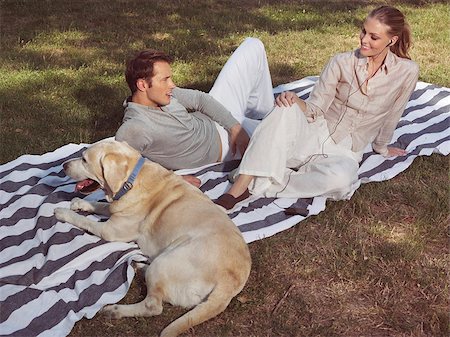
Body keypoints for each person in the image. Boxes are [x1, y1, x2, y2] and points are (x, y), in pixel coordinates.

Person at [215, 5, 419, 210]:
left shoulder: (406, 71)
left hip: (345, 153)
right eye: (363, 31)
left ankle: (264, 180)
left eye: (374, 37)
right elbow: (316, 108)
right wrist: (295, 100)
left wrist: (382, 147)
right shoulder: (341, 62)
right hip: (313, 136)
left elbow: (395, 112)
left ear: (391, 40)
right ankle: (240, 187)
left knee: (341, 180)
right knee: (284, 107)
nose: (364, 40)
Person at [115, 38, 275, 187]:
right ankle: (269, 119)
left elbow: (200, 100)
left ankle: (264, 112)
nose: (172, 84)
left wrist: (234, 126)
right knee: (284, 127)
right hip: (224, 145)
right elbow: (119, 170)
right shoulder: (135, 128)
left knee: (253, 45)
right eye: (165, 79)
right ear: (142, 85)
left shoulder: (162, 95)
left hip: (219, 118)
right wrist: (171, 180)